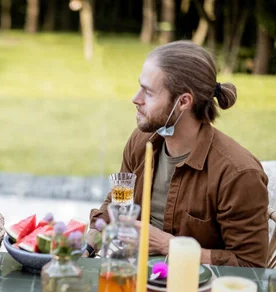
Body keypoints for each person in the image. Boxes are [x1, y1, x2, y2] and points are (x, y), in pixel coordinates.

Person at [87, 41, 269, 267]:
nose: (136, 98)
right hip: (130, 276)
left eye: (149, 92)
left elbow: (251, 266)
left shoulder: (238, 175)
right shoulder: (141, 141)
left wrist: (170, 246)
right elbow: (118, 199)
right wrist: (89, 242)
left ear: (183, 101)